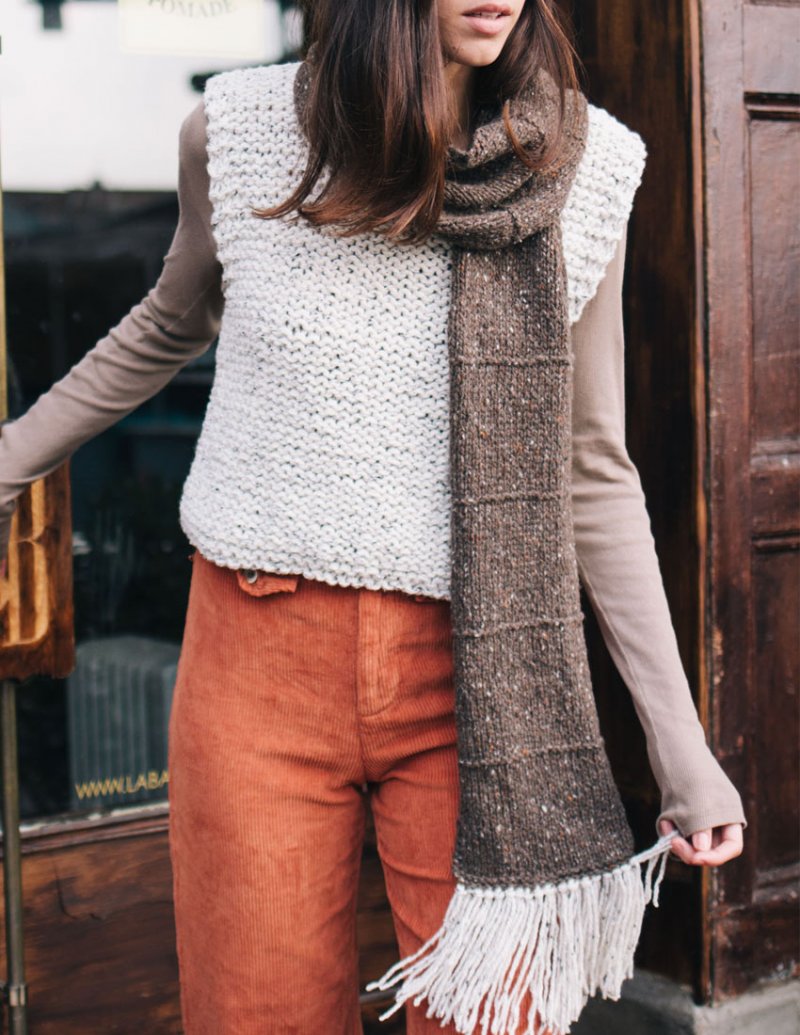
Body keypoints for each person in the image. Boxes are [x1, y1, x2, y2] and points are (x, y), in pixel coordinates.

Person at [0, 2, 746, 1033]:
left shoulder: (581, 168)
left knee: (493, 1017)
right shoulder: (240, 132)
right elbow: (170, 322)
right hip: (257, 659)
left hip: (479, 674)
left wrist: (681, 748)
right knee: (256, 1014)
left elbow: (590, 467)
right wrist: (9, 462)